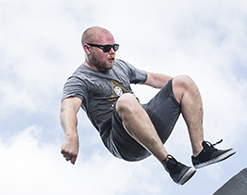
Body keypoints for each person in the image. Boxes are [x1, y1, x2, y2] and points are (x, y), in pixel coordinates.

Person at [60, 26, 234, 185]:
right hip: (123, 143)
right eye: (106, 48)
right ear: (88, 49)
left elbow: (155, 79)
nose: (112, 52)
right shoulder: (80, 80)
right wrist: (71, 136)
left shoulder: (120, 66)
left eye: (115, 47)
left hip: (147, 125)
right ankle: (170, 164)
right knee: (126, 100)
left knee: (184, 81)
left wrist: (191, 92)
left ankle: (200, 152)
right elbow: (68, 108)